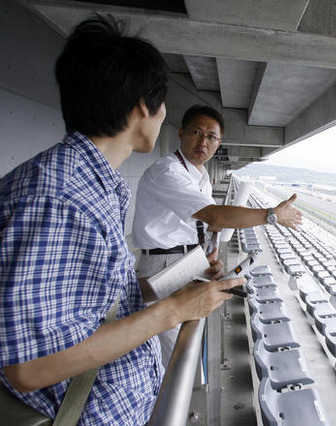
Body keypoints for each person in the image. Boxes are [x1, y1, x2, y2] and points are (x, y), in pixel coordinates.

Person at [0, 15, 244, 425]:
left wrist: (177, 290)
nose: (164, 114)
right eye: (163, 103)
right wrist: (172, 313)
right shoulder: (59, 198)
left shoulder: (88, 185)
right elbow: (30, 367)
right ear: (142, 107)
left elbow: (96, 303)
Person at [132, 104, 303, 366]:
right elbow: (215, 217)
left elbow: (210, 226)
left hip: (186, 262)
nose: (203, 141)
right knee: (172, 355)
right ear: (181, 133)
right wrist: (272, 215)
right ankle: (166, 405)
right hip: (164, 266)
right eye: (196, 133)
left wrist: (205, 257)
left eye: (211, 137)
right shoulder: (168, 172)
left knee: (185, 343)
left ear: (219, 142)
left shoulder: (199, 176)